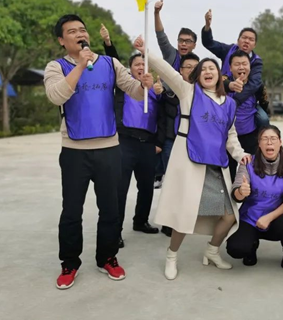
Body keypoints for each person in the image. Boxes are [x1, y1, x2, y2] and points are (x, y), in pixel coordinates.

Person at [44, 15, 151, 290]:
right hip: (74, 151)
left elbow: (134, 91)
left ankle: (107, 257)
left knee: (110, 209)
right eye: (72, 31)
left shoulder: (109, 63)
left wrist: (144, 84)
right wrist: (80, 65)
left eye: (82, 30)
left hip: (108, 149)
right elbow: (56, 96)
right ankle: (69, 263)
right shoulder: (56, 67)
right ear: (62, 40)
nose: (80, 34)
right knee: (71, 211)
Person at [133, 37, 251, 281]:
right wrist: (146, 52)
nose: (208, 72)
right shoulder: (188, 92)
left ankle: (212, 251)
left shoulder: (229, 104)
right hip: (189, 160)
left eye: (212, 68)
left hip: (216, 165)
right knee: (184, 215)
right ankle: (172, 256)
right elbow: (166, 70)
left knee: (229, 215)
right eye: (203, 69)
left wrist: (241, 155)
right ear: (197, 76)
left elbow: (231, 137)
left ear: (220, 75)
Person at [100, 27, 163, 247]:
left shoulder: (156, 88)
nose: (140, 68)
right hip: (125, 141)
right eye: (137, 64)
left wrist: (159, 142)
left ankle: (141, 221)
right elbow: (114, 62)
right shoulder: (124, 82)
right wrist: (108, 43)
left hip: (148, 143)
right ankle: (115, 231)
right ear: (130, 68)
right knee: (120, 188)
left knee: (146, 187)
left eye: (144, 65)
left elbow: (164, 117)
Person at [226, 126, 283, 278]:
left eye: (273, 138)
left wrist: (269, 217)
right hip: (251, 217)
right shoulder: (248, 162)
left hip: (276, 217)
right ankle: (252, 246)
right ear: (259, 144)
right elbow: (235, 194)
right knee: (236, 249)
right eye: (265, 139)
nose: (269, 143)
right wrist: (241, 192)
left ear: (280, 142)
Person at [156, 52, 200, 237]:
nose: (191, 70)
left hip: (193, 144)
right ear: (180, 70)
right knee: (171, 183)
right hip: (171, 141)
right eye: (187, 67)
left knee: (188, 184)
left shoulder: (203, 92)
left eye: (195, 67)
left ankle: (185, 219)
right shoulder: (170, 89)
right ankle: (169, 222)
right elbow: (159, 113)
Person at [201, 9, 269, 127]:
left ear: (254, 45)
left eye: (251, 39)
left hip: (245, 98)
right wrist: (207, 26)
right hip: (223, 91)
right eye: (244, 38)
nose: (246, 41)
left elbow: (254, 84)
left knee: (264, 119)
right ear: (238, 40)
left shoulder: (256, 61)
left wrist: (235, 102)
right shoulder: (227, 50)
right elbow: (209, 43)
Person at [225, 50, 266, 180]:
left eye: (244, 64)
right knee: (229, 173)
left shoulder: (257, 86)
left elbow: (263, 103)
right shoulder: (224, 85)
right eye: (237, 64)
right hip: (228, 137)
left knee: (253, 171)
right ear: (230, 68)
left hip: (250, 134)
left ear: (250, 66)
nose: (241, 67)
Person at [154, 0, 197, 71]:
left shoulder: (197, 63)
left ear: (194, 45)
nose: (183, 44)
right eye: (181, 40)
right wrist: (156, 13)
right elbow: (160, 35)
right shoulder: (171, 54)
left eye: (188, 41)